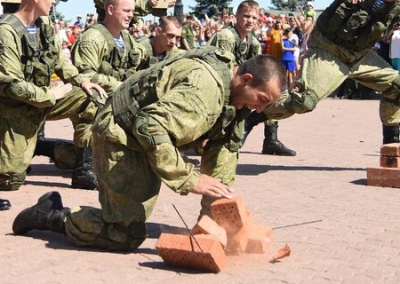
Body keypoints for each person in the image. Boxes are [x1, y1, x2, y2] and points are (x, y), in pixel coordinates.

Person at [12, 46, 287, 251]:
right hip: (120, 135)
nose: (259, 109)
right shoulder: (206, 90)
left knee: (227, 137)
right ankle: (51, 215)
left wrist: (216, 212)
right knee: (123, 235)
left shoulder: (234, 88)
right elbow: (150, 125)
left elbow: (226, 143)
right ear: (246, 78)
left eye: (266, 105)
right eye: (260, 99)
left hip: (146, 136)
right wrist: (188, 178)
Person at [245, 0, 400, 146]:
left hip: (360, 55)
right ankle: (252, 118)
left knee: (397, 87)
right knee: (305, 101)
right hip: (328, 49)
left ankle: (391, 144)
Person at [0, 0, 107, 192]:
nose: (54, 2)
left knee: (90, 97)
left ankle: (84, 169)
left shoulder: (44, 24)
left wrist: (81, 80)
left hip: (44, 100)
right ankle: (31, 147)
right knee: (10, 179)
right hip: (14, 109)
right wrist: (48, 94)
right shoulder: (6, 32)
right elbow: (11, 84)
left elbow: (58, 60)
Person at [209, 1, 296, 156]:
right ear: (236, 16)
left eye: (254, 18)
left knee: (271, 96)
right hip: (221, 84)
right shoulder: (227, 36)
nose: (250, 21)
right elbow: (221, 69)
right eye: (246, 16)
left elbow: (259, 70)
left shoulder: (253, 42)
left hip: (242, 84)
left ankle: (271, 139)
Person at [71, 0, 148, 96]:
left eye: (132, 11)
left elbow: (140, 57)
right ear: (110, 10)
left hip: (122, 94)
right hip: (99, 98)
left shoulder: (126, 37)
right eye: (126, 11)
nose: (131, 15)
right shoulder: (92, 38)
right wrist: (120, 85)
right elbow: (86, 75)